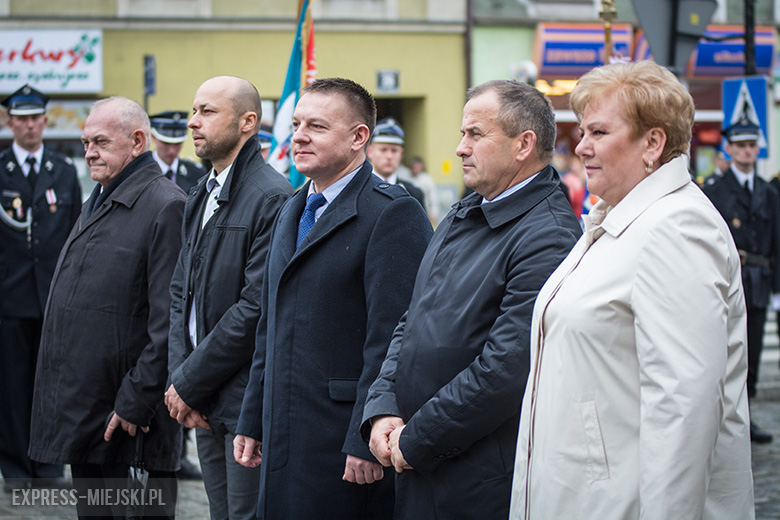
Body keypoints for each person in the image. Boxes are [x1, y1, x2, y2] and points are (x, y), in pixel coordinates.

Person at [510, 60, 755, 519]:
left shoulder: (675, 227)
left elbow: (683, 409)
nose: (580, 147)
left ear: (653, 142)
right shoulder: (618, 217)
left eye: (598, 133)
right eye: (582, 132)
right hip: (586, 495)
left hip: (620, 503)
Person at [361, 80, 581, 520]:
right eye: (463, 134)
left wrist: (418, 437)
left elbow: (505, 368)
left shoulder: (548, 234)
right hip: (421, 460)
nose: (461, 148)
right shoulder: (468, 210)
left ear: (524, 145)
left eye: (475, 135)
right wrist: (383, 407)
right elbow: (412, 320)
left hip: (479, 478)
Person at [232, 78, 432, 519]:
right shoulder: (293, 207)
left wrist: (364, 436)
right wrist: (253, 416)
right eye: (297, 123)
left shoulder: (393, 212)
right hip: (283, 429)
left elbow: (394, 339)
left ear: (359, 137)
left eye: (317, 126)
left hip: (342, 441)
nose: (298, 135)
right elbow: (271, 322)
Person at [29, 97, 186, 518]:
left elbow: (169, 319)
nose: (89, 152)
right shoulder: (101, 195)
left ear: (137, 141)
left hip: (130, 420)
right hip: (91, 412)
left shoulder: (165, 204)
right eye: (84, 143)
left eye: (100, 141)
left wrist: (138, 398)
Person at [165, 76, 293, 520]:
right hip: (201, 394)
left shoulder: (272, 196)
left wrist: (190, 381)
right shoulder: (202, 192)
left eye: (207, 112)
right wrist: (181, 378)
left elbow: (253, 307)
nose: (192, 123)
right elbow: (182, 292)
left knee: (246, 514)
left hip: (241, 398)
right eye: (193, 111)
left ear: (247, 122)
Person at [0, 84, 81, 492]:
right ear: (9, 121)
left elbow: (75, 237)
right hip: (9, 299)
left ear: (44, 122)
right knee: (13, 385)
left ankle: (48, 464)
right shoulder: (0, 171)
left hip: (53, 297)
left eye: (35, 118)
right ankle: (15, 466)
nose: (29, 125)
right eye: (21, 118)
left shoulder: (63, 172)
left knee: (51, 385)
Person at [703, 116, 780, 445]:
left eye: (752, 146)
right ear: (730, 149)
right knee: (723, 350)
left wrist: (776, 288)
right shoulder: (715, 189)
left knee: (752, 352)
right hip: (727, 278)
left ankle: (744, 417)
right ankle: (719, 418)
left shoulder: (768, 191)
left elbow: (776, 239)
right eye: (741, 146)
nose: (747, 151)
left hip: (759, 279)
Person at [367, 117, 426, 209]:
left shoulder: (413, 194)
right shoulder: (357, 191)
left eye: (394, 151)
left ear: (401, 153)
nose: (389, 156)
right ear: (369, 151)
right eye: (383, 150)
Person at [150, 110, 206, 194]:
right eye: (166, 143)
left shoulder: (197, 173)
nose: (172, 151)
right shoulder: (140, 172)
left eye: (177, 144)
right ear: (153, 137)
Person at [409, 156, 440, 224]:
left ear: (421, 166)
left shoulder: (427, 179)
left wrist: (433, 213)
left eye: (417, 166)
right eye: (413, 166)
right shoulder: (408, 179)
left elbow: (433, 197)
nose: (415, 168)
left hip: (425, 212)